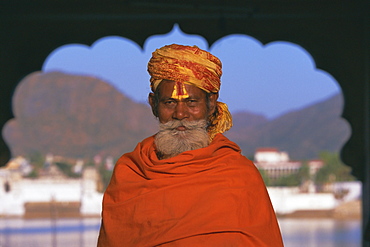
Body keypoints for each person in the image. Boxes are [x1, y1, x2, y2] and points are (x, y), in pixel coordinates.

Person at [97, 44, 284, 246]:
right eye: (169, 103)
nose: (180, 114)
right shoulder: (131, 173)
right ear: (153, 105)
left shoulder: (238, 176)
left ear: (211, 104)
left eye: (192, 103)